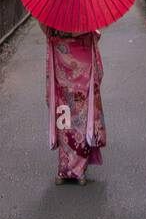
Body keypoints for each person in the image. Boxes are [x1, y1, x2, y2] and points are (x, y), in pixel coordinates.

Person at [42, 23, 106, 184]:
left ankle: (64, 169)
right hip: (82, 59)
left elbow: (46, 29)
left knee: (64, 112)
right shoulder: (86, 5)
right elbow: (95, 33)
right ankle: (78, 170)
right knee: (81, 114)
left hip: (61, 57)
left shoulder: (54, 3)